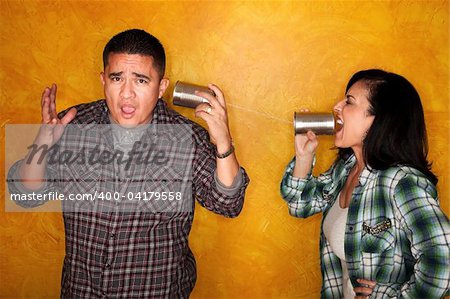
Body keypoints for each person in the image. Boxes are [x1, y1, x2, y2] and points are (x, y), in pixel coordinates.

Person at [7, 29, 249, 298]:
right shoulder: (71, 125)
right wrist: (41, 144)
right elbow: (25, 195)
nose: (127, 94)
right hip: (81, 292)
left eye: (141, 81)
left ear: (161, 87)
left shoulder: (187, 138)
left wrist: (224, 144)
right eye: (116, 78)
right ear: (103, 80)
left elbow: (228, 204)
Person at [280, 69, 449, 298]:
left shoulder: (401, 182)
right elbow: (300, 206)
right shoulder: (346, 169)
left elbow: (442, 260)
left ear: (379, 120)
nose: (337, 107)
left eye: (349, 102)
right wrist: (304, 156)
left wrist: (391, 296)